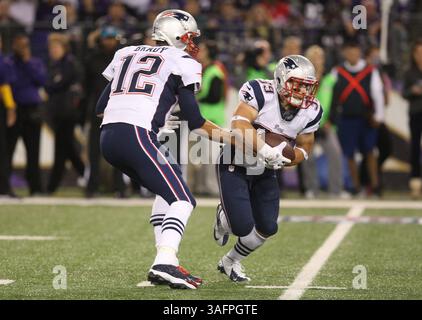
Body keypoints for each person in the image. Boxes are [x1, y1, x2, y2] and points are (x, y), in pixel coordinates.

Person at [97, 9, 286, 289]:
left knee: (168, 185)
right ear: (175, 35)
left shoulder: (125, 53)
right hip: (136, 135)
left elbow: (101, 108)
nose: (191, 43)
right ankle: (165, 262)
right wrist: (234, 138)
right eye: (188, 36)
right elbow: (195, 121)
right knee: (183, 199)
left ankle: (163, 260)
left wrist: (153, 116)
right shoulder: (181, 60)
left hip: (108, 137)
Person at [213, 55, 322, 282]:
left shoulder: (311, 110)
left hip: (265, 169)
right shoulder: (261, 91)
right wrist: (265, 150)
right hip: (236, 162)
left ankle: (230, 261)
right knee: (241, 227)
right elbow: (239, 125)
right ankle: (223, 217)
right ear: (282, 80)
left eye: (307, 86)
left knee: (267, 228)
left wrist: (289, 159)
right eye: (298, 84)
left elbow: (305, 146)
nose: (303, 91)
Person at [329, 40, 384, 197]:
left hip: (366, 118)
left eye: (355, 51)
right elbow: (331, 95)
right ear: (344, 53)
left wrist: (379, 116)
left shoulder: (370, 71)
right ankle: (356, 186)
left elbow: (377, 93)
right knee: (349, 153)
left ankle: (374, 186)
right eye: (349, 51)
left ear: (359, 52)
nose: (352, 54)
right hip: (346, 119)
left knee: (370, 151)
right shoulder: (337, 71)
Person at [84, 26, 126, 198]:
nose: (108, 42)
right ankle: (92, 186)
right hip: (98, 110)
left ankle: (120, 187)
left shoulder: (125, 57)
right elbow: (86, 87)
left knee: (120, 150)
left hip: (119, 109)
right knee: (94, 151)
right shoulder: (92, 58)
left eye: (111, 38)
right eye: (105, 38)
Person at [301, 45, 348, 199]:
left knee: (335, 154)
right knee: (308, 157)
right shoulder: (302, 80)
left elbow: (336, 103)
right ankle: (312, 189)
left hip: (327, 125)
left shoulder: (330, 78)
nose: (316, 61)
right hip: (308, 126)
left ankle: (336, 190)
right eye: (313, 58)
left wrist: (330, 121)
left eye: (319, 57)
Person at [5, 33, 46, 196]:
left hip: (32, 110)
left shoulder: (35, 62)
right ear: (13, 45)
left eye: (25, 45)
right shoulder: (8, 63)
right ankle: (5, 185)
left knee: (33, 151)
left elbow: (42, 80)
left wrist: (27, 62)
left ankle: (35, 187)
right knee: (8, 150)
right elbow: (13, 82)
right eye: (19, 45)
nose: (22, 49)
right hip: (14, 110)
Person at [45, 33, 85, 194]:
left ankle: (51, 186)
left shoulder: (69, 64)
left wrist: (52, 85)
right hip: (58, 111)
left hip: (67, 112)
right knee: (67, 148)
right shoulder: (55, 65)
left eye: (56, 47)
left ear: (64, 48)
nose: (53, 50)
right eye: (51, 48)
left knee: (62, 149)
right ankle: (85, 175)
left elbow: (57, 84)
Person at [403, 39, 422, 199]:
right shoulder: (409, 72)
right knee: (415, 147)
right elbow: (404, 93)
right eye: (418, 53)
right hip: (415, 113)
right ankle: (415, 184)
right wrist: (413, 91)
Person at [0, 34, 17, 197]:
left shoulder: (3, 61)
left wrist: (10, 108)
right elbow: (4, 86)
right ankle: (4, 187)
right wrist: (11, 108)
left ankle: (4, 186)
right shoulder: (3, 61)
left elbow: (5, 86)